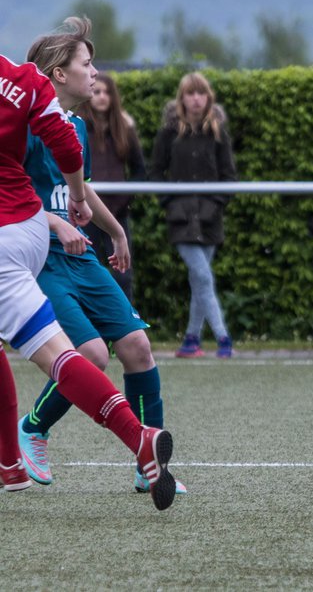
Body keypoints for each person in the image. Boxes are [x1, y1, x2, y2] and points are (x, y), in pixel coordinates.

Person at [0, 46, 176, 509]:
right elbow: (34, 180)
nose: (96, 73)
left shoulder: (71, 123)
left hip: (63, 252)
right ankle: (31, 436)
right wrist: (56, 221)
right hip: (39, 250)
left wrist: (111, 228)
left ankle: (144, 463)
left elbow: (77, 185)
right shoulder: (27, 101)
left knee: (134, 346)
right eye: (86, 64)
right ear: (58, 72)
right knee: (89, 354)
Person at [149, 72, 238, 358]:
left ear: (208, 97)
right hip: (181, 218)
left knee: (199, 280)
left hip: (210, 218)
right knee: (202, 275)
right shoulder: (169, 133)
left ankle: (191, 339)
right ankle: (223, 337)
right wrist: (170, 202)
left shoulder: (217, 131)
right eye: (190, 93)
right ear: (182, 98)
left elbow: (229, 176)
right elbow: (155, 172)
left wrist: (216, 203)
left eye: (201, 93)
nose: (196, 99)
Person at [75, 71, 146, 302]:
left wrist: (125, 199)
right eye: (97, 91)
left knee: (123, 273)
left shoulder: (125, 130)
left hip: (117, 212)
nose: (102, 97)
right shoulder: (78, 127)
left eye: (107, 92)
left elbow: (139, 171)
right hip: (86, 212)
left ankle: (126, 328)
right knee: (86, 273)